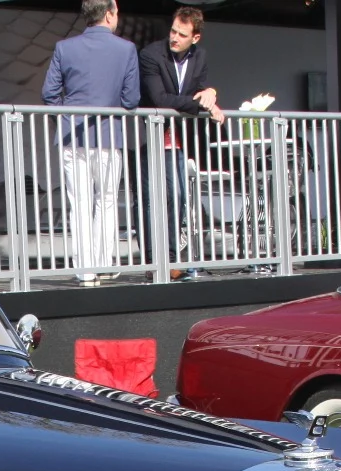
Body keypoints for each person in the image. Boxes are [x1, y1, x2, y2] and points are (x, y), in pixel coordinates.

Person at [42, 0, 140, 286]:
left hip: (73, 135)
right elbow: (131, 100)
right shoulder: (126, 49)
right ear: (109, 14)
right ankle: (103, 262)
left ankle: (85, 270)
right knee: (107, 201)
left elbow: (49, 94)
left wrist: (66, 114)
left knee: (80, 203)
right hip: (109, 136)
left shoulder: (65, 47)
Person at [138, 5, 222, 281]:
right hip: (151, 135)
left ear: (195, 38)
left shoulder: (201, 57)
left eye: (181, 34)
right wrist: (200, 103)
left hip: (179, 138)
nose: (174, 37)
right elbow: (160, 98)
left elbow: (198, 86)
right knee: (153, 200)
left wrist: (209, 93)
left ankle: (172, 258)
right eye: (173, 31)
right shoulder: (151, 54)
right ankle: (153, 261)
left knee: (178, 196)